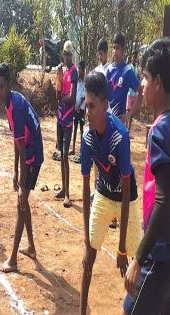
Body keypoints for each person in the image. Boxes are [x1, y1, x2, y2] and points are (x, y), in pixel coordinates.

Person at [79, 71, 142, 315]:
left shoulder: (120, 137)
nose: (87, 112)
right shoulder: (87, 138)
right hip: (103, 197)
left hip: (128, 200)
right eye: (86, 105)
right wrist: (86, 241)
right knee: (88, 260)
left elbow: (126, 195)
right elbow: (85, 188)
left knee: (138, 266)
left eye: (92, 107)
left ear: (105, 106)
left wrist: (122, 248)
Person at [122, 38, 170, 315]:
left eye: (145, 77)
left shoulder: (161, 131)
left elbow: (163, 200)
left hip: (160, 253)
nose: (141, 84)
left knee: (131, 310)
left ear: (159, 83)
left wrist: (138, 257)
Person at [0, 63, 44, 273]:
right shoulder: (9, 103)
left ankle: (13, 259)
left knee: (21, 203)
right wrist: (15, 170)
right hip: (28, 150)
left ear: (10, 85)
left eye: (2, 86)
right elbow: (17, 140)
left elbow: (24, 149)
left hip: (34, 154)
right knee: (23, 201)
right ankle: (31, 247)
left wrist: (22, 181)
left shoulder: (15, 107)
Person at [55, 41, 77, 208]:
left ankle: (67, 192)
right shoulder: (62, 71)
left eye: (68, 54)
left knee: (64, 155)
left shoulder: (74, 71)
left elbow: (72, 97)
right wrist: (58, 75)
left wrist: (62, 99)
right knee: (60, 155)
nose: (66, 56)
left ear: (72, 55)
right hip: (60, 117)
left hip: (68, 119)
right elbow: (57, 93)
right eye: (64, 54)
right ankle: (63, 188)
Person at [106, 32, 143, 123]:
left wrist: (129, 115)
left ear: (123, 50)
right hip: (107, 117)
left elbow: (140, 90)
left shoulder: (128, 71)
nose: (114, 51)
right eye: (113, 48)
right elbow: (104, 93)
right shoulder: (109, 70)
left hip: (119, 121)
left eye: (117, 48)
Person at [70, 60, 86, 163]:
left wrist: (79, 104)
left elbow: (85, 96)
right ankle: (74, 148)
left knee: (81, 129)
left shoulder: (86, 81)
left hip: (82, 108)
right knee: (74, 127)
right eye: (78, 68)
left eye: (80, 69)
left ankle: (82, 150)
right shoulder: (77, 80)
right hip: (75, 107)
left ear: (84, 70)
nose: (78, 70)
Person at [126, 51, 139, 135]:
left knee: (132, 113)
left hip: (134, 93)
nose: (134, 58)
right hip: (129, 93)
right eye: (134, 56)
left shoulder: (137, 68)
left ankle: (128, 130)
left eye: (136, 57)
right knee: (127, 111)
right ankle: (125, 128)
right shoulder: (129, 67)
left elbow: (137, 79)